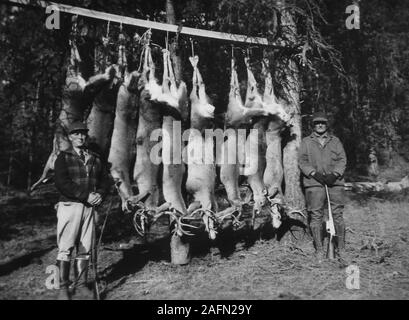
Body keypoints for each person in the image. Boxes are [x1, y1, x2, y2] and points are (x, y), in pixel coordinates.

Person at [54, 121, 110, 300]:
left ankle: (81, 285)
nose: (80, 137)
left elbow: (105, 181)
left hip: (90, 209)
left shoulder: (94, 157)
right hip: (70, 207)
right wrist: (85, 195)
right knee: (65, 247)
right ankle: (63, 288)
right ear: (70, 137)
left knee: (85, 247)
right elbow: (62, 183)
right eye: (76, 134)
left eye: (83, 134)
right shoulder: (63, 157)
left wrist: (100, 194)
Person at [298, 112, 347, 263]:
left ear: (327, 125)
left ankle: (342, 249)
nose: (320, 125)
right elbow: (302, 161)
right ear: (313, 125)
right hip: (314, 184)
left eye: (323, 123)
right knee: (316, 216)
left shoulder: (335, 141)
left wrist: (335, 174)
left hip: (335, 183)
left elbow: (342, 159)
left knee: (337, 215)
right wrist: (314, 173)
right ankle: (319, 250)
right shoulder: (306, 142)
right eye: (317, 123)